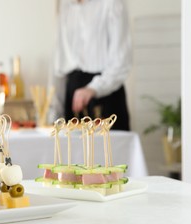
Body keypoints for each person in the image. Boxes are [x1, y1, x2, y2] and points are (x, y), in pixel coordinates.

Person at [50, 0, 131, 130]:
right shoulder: (65, 7)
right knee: (73, 149)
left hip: (107, 98)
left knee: (110, 149)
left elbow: (121, 62)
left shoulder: (112, 4)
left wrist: (93, 89)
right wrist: (53, 112)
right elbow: (59, 66)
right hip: (72, 99)